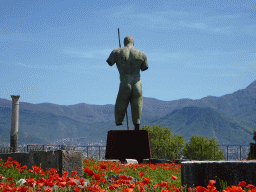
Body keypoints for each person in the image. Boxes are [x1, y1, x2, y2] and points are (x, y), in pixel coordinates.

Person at [106, 36, 148, 131]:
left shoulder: (116, 51)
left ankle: (119, 121)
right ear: (133, 43)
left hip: (125, 82)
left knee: (121, 103)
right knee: (137, 103)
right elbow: (144, 67)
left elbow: (110, 62)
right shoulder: (142, 54)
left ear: (124, 42)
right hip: (137, 83)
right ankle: (137, 124)